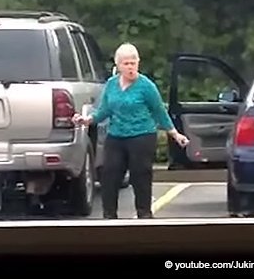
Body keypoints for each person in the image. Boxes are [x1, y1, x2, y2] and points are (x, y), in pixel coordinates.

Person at [72, 42, 189, 219]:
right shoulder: (111, 85)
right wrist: (88, 119)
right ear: (118, 65)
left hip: (142, 136)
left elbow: (159, 111)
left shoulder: (146, 86)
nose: (130, 67)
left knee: (140, 175)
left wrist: (174, 133)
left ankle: (144, 215)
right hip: (116, 136)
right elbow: (104, 110)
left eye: (133, 63)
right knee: (109, 176)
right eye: (126, 63)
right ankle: (109, 217)